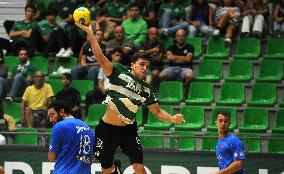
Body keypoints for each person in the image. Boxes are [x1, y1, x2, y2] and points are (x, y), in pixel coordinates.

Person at [75, 21, 185, 174]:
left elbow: (158, 112)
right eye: (142, 64)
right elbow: (99, 57)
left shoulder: (146, 89)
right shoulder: (119, 71)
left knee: (140, 168)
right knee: (106, 167)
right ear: (133, 65)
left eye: (147, 66)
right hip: (107, 129)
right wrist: (91, 34)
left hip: (129, 130)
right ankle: (115, 168)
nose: (145, 68)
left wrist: (173, 119)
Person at [48, 100, 95, 174]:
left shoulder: (59, 126)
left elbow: (51, 157)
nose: (51, 120)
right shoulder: (89, 129)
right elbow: (93, 157)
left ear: (62, 112)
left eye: (52, 115)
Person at [159, 29, 194, 99]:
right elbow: (169, 57)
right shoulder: (171, 47)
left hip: (186, 68)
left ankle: (185, 95)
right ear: (175, 37)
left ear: (185, 37)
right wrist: (183, 58)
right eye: (178, 36)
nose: (180, 37)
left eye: (182, 36)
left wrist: (175, 58)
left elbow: (188, 59)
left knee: (190, 76)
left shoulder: (190, 47)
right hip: (172, 68)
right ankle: (169, 92)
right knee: (161, 75)